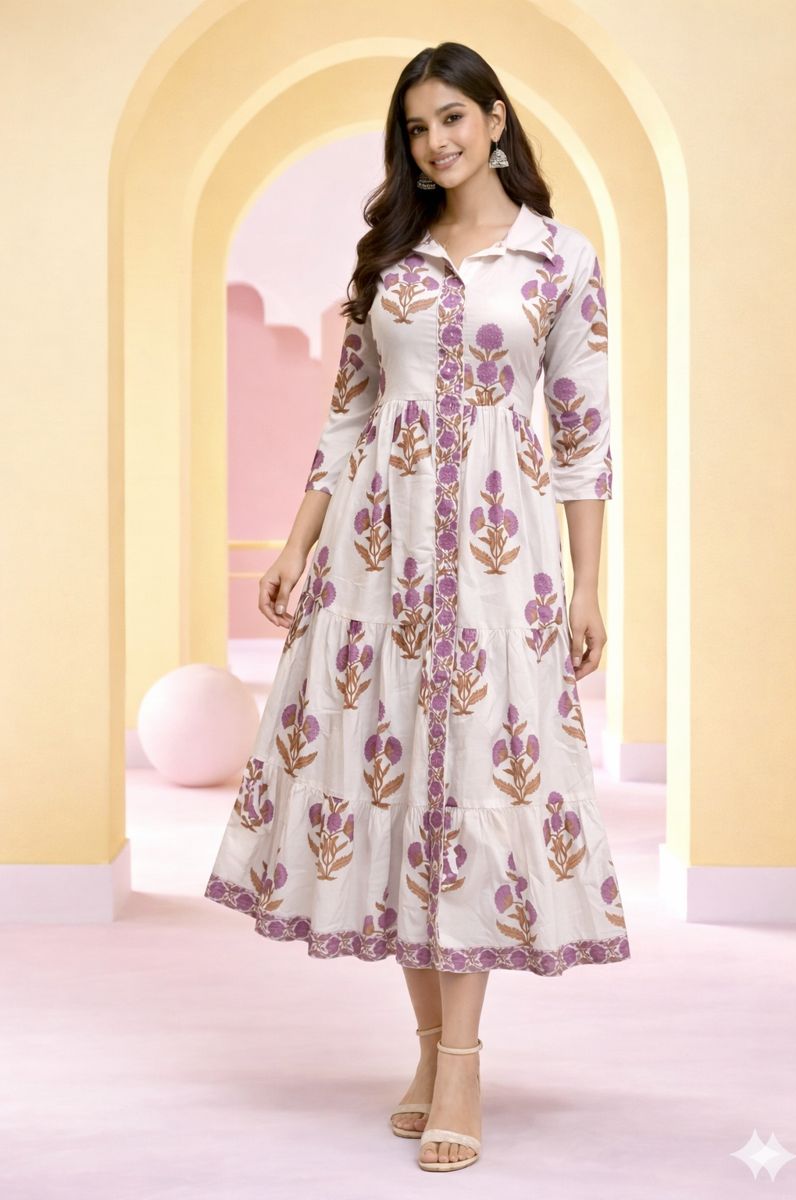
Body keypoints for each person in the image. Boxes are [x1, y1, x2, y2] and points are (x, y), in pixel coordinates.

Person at [205, 40, 631, 1174]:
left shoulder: (559, 260)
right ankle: (431, 1053)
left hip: (500, 568)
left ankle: (464, 1067)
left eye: (451, 118)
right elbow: (347, 415)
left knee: (475, 790)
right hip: (375, 560)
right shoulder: (392, 258)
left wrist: (587, 586)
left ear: (494, 119)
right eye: (415, 127)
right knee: (397, 787)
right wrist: (296, 544)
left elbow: (584, 436)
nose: (435, 142)